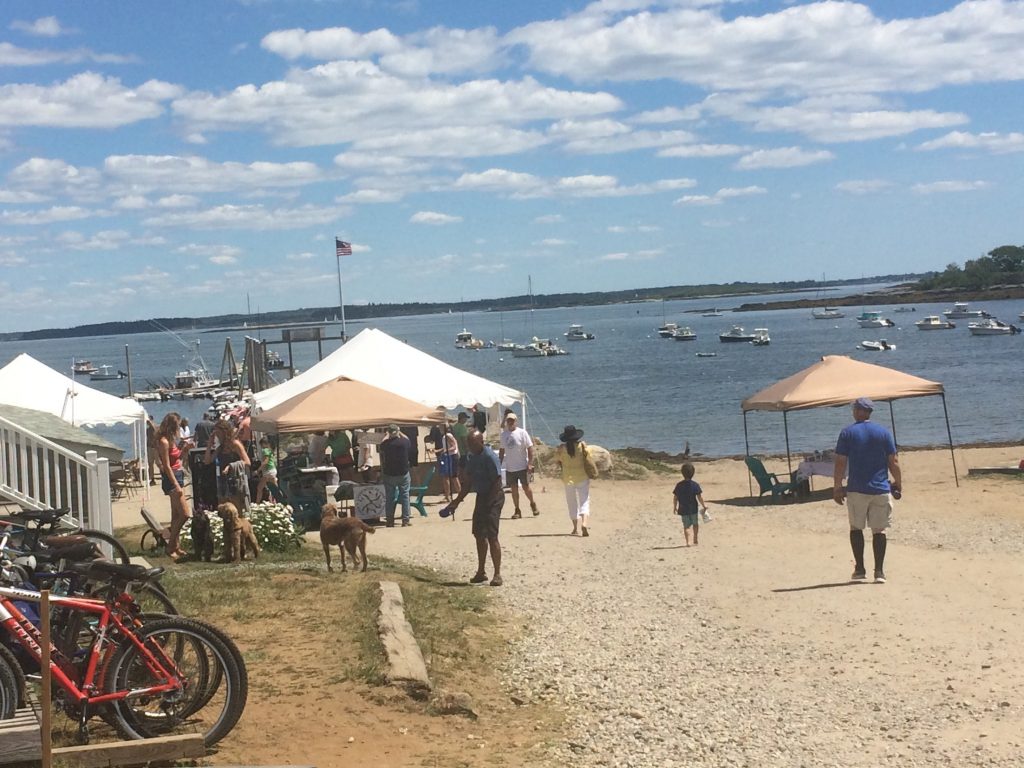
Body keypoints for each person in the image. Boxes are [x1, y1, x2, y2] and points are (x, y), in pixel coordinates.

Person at [833, 397, 902, 584]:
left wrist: (837, 486)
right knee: (879, 530)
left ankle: (860, 568)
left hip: (857, 488)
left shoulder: (847, 433)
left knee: (856, 527)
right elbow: (893, 461)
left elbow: (840, 462)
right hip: (880, 488)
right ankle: (879, 571)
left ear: (857, 411)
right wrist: (898, 482)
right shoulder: (883, 432)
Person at [449, 429, 504, 586]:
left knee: (492, 535)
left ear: (480, 442)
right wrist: (457, 501)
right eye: (468, 444)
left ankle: (497, 574)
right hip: (482, 495)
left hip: (494, 496)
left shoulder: (490, 457)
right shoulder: (471, 458)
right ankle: (481, 571)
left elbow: (497, 482)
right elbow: (468, 482)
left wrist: (489, 503)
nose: (470, 447)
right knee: (479, 534)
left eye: (472, 444)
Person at [155, 412, 189, 560]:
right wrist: (176, 484)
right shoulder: (163, 441)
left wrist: (185, 450)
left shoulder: (171, 440)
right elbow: (167, 466)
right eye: (177, 426)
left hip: (179, 474)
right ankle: (170, 546)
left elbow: (177, 458)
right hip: (172, 478)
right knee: (185, 514)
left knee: (176, 515)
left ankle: (176, 545)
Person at [204, 418, 252, 510]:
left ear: (224, 432)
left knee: (236, 508)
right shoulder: (221, 447)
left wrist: (231, 466)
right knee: (224, 508)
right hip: (223, 481)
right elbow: (207, 461)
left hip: (235, 481)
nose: (217, 436)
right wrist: (209, 444)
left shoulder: (235, 444)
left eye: (218, 433)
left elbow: (247, 462)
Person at [499, 412, 539, 519]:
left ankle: (532, 503)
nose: (510, 422)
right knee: (514, 489)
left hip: (522, 466)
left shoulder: (522, 433)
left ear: (516, 421)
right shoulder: (504, 435)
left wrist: (530, 463)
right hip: (510, 467)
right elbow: (502, 451)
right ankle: (517, 509)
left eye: (512, 420)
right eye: (508, 420)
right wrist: (499, 463)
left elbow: (530, 448)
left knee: (526, 487)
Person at [556, 425, 591, 536]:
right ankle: (584, 523)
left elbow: (557, 460)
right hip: (582, 476)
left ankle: (575, 528)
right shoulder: (582, 446)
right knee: (584, 501)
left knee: (571, 503)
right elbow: (588, 458)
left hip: (568, 478)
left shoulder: (562, 449)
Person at [380, 424, 412, 527]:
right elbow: (408, 439)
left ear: (389, 432)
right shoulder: (404, 442)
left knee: (390, 497)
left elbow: (381, 444)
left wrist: (386, 435)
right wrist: (400, 431)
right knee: (405, 496)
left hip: (389, 474)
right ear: (397, 431)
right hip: (403, 473)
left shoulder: (386, 444)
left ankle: (390, 521)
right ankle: (405, 520)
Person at [672, 463, 708, 547]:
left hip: (683, 508)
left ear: (682, 473)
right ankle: (695, 538)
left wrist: (674, 507)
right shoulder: (695, 485)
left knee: (686, 526)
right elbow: (699, 497)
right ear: (693, 473)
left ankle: (688, 542)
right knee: (695, 524)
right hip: (693, 508)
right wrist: (704, 505)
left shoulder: (679, 485)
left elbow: (675, 497)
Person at [255, 436, 281, 503]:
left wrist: (259, 469)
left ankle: (257, 503)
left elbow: (266, 461)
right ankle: (278, 501)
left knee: (259, 488)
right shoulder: (270, 450)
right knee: (275, 488)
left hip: (268, 471)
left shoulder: (265, 450)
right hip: (272, 470)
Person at [145, 416, 159, 485]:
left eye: (148, 421)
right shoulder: (147, 430)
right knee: (150, 463)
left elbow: (155, 431)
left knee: (159, 463)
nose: (147, 422)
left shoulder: (156, 427)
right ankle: (152, 478)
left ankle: (164, 476)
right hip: (149, 447)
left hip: (156, 448)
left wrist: (151, 423)